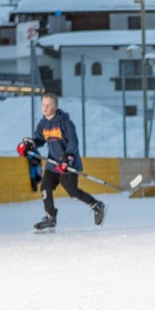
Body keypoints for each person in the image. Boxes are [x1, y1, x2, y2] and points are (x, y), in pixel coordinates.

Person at [17, 93, 106, 232]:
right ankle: (50, 217)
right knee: (45, 189)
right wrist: (30, 145)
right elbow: (39, 139)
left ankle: (96, 205)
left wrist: (67, 159)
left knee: (73, 192)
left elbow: (73, 143)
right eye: (43, 105)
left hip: (68, 165)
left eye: (48, 105)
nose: (45, 107)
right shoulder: (43, 123)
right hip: (52, 164)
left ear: (56, 106)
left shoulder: (65, 122)